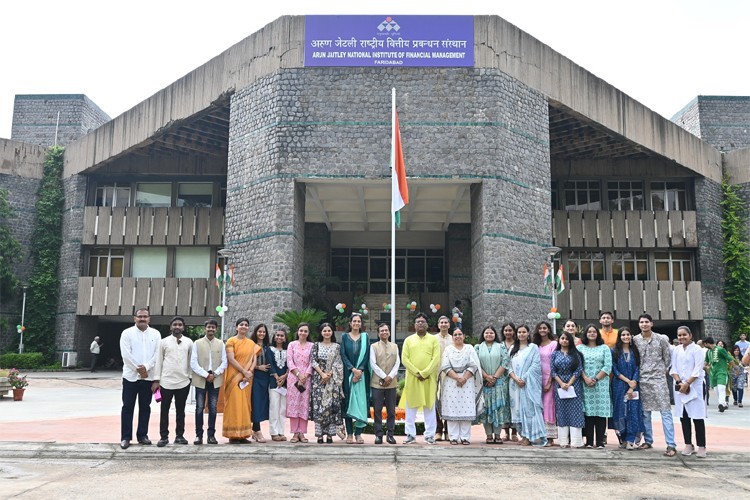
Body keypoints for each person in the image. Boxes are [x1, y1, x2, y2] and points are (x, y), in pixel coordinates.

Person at [633, 313, 676, 456]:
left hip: (659, 379)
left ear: (651, 323)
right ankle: (648, 440)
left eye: (646, 322)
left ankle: (671, 444)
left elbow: (668, 358)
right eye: (641, 322)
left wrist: (662, 372)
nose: (644, 324)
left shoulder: (661, 339)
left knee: (665, 412)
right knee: (645, 413)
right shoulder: (635, 340)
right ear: (639, 324)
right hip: (642, 379)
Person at [119, 308, 161, 449]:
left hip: (148, 378)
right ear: (134, 318)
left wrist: (146, 368)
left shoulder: (156, 334)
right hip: (130, 377)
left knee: (145, 407)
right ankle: (125, 437)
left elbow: (157, 355)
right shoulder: (127, 333)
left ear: (149, 318)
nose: (142, 319)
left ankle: (142, 435)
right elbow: (126, 355)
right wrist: (139, 370)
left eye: (145, 316)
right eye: (139, 317)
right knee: (127, 407)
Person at [400, 312, 441, 444]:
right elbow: (404, 359)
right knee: (410, 408)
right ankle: (410, 435)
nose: (420, 324)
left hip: (428, 379)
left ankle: (429, 435)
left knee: (429, 407)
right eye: (418, 322)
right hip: (413, 379)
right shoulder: (408, 340)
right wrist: (417, 373)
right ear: (414, 325)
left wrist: (425, 373)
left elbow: (436, 358)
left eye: (423, 322)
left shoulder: (434, 339)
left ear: (427, 324)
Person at [440, 328, 482, 445]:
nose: (457, 336)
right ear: (452, 337)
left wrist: (464, 377)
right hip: (451, 382)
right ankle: (453, 437)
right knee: (452, 407)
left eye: (460, 334)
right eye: (455, 334)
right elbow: (445, 365)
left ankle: (465, 437)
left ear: (464, 336)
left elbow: (474, 364)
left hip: (467, 382)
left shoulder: (469, 348)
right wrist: (457, 378)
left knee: (466, 407)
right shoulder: (448, 349)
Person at [670, 326, 707, 458]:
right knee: (684, 416)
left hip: (694, 386)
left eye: (684, 335)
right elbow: (673, 368)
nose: (682, 337)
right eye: (679, 335)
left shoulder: (698, 350)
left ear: (690, 335)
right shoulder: (676, 350)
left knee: (697, 416)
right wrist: (680, 382)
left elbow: (698, 369)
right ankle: (688, 444)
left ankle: (702, 445)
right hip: (680, 387)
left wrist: (687, 383)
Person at [508, 324, 547, 447]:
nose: (521, 334)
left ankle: (532, 436)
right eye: (519, 332)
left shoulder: (533, 347)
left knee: (529, 410)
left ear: (528, 333)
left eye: (524, 332)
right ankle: (523, 435)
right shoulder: (513, 348)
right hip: (515, 386)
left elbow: (536, 365)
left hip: (528, 385)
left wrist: (523, 379)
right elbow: (508, 367)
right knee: (517, 410)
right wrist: (516, 379)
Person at [190, 319, 227, 445]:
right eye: (208, 327)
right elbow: (193, 363)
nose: (211, 329)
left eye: (213, 327)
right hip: (201, 379)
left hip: (215, 380)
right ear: (205, 328)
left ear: (216, 329)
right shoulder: (197, 343)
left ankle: (211, 435)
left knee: (213, 408)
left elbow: (224, 362)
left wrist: (214, 374)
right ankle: (198, 435)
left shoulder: (221, 343)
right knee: (199, 408)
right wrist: (206, 375)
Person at [222, 318, 257, 444]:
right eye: (241, 324)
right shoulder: (231, 341)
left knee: (245, 405)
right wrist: (244, 371)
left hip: (246, 379)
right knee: (234, 405)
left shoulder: (251, 343)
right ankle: (233, 434)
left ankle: (244, 434)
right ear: (236, 327)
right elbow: (231, 359)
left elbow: (254, 360)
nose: (244, 326)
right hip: (234, 378)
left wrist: (249, 372)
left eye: (246, 325)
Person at [577, 324, 612, 449]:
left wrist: (596, 379)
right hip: (585, 384)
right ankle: (589, 441)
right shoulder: (580, 348)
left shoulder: (604, 348)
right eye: (589, 331)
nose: (592, 333)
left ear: (598, 334)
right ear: (585, 334)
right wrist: (586, 378)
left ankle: (600, 442)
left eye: (594, 331)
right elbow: (578, 365)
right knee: (588, 413)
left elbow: (607, 366)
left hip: (601, 384)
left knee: (601, 413)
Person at [611, 327, 645, 450]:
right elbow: (614, 369)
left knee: (634, 411)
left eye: (628, 334)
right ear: (619, 337)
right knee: (620, 410)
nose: (625, 337)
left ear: (631, 336)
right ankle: (623, 438)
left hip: (634, 385)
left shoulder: (635, 350)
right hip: (619, 385)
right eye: (623, 335)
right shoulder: (614, 351)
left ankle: (632, 439)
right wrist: (627, 381)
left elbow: (638, 367)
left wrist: (633, 382)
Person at [310, 322, 344, 444]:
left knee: (330, 407)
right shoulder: (316, 345)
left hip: (332, 381)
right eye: (324, 330)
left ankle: (330, 434)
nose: (327, 332)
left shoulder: (336, 346)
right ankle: (319, 435)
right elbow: (313, 361)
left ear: (332, 332)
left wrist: (329, 374)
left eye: (329, 330)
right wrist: (322, 374)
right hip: (318, 380)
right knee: (319, 407)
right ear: (321, 332)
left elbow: (338, 363)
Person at [551, 331, 585, 448]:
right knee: (561, 412)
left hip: (574, 386)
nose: (564, 340)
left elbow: (579, 369)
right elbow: (553, 371)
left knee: (575, 412)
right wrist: (561, 383)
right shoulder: (555, 354)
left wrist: (569, 383)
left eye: (567, 339)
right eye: (562, 338)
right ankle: (563, 441)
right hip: (559, 386)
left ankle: (576, 442)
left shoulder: (576, 354)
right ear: (559, 340)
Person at [340, 312, 371, 444]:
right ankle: (350, 434)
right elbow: (343, 354)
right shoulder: (345, 337)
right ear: (350, 323)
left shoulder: (365, 337)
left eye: (359, 321)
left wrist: (360, 371)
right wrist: (352, 369)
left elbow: (367, 355)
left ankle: (359, 434)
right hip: (348, 374)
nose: (356, 323)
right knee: (348, 402)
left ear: (361, 323)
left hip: (362, 375)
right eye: (354, 321)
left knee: (361, 403)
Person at [475, 325, 508, 444]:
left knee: (498, 409)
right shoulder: (478, 348)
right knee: (486, 409)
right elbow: (476, 364)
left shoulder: (501, 347)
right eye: (486, 333)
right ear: (483, 334)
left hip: (498, 383)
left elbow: (505, 362)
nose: (489, 335)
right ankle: (488, 435)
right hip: (484, 383)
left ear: (495, 335)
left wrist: (494, 377)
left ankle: (498, 434)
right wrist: (487, 377)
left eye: (491, 333)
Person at [370, 322, 400, 445]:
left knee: (391, 410)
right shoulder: (374, 346)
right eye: (381, 331)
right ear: (378, 333)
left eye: (386, 330)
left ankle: (390, 434)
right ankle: (378, 435)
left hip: (391, 383)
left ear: (389, 332)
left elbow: (397, 363)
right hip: (377, 383)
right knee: (377, 410)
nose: (384, 332)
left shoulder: (395, 346)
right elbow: (373, 363)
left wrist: (390, 376)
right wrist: (384, 376)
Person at [287, 323, 313, 443]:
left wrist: (306, 375)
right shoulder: (292, 345)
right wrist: (298, 375)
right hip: (293, 379)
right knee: (294, 405)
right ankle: (295, 433)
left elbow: (312, 362)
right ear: (297, 332)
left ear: (308, 333)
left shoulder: (312, 346)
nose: (303, 333)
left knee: (304, 405)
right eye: (301, 330)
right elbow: (289, 361)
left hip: (306, 380)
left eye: (305, 331)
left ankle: (302, 433)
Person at [533, 321, 558, 446]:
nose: (542, 330)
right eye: (540, 328)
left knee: (548, 406)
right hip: (536, 380)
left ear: (548, 330)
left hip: (550, 379)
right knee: (538, 407)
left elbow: (554, 363)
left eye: (545, 328)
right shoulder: (534, 345)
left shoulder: (554, 344)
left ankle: (550, 437)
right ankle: (539, 435)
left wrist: (549, 381)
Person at [250, 324, 272, 442]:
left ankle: (255, 429)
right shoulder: (251, 345)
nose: (262, 334)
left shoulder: (268, 347)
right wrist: (258, 367)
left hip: (266, 378)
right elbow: (247, 362)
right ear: (256, 332)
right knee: (256, 403)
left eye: (264, 332)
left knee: (263, 403)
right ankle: (257, 430)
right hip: (255, 376)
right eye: (259, 331)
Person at [433, 315, 453, 441]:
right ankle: (438, 430)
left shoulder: (454, 338)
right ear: (438, 325)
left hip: (451, 376)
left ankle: (449, 430)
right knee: (437, 403)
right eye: (442, 322)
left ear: (449, 325)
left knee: (449, 402)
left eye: (446, 322)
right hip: (436, 374)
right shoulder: (433, 339)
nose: (444, 324)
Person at [268, 329, 289, 441]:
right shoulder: (270, 349)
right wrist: (277, 377)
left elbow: (289, 364)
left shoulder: (288, 350)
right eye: (278, 335)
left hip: (285, 382)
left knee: (282, 409)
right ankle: (274, 432)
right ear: (274, 337)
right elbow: (270, 363)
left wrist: (285, 376)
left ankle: (281, 432)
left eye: (282, 335)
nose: (280, 337)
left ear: (285, 338)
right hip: (273, 382)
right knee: (274, 407)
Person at [499, 322, 518, 441]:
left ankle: (515, 432)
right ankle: (506, 431)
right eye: (506, 330)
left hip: (514, 377)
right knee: (504, 405)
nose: (508, 332)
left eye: (510, 330)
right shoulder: (500, 345)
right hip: (502, 378)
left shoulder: (518, 345)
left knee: (514, 403)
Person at [704, 337, 732, 413]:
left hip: (722, 372)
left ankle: (721, 404)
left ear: (707, 343)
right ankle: (724, 403)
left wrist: (735, 369)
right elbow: (706, 361)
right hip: (713, 374)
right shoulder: (708, 352)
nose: (704, 345)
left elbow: (729, 358)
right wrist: (703, 367)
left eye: (705, 344)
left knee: (721, 388)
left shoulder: (720, 349)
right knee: (716, 390)